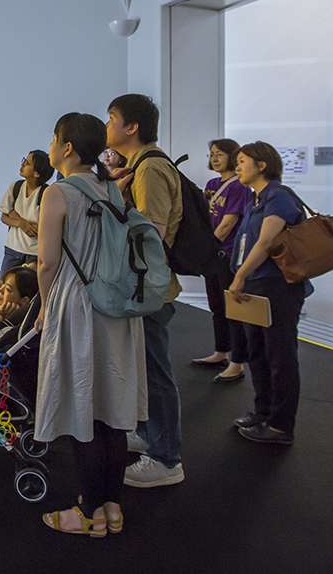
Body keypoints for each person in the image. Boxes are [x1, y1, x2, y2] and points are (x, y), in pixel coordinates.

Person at [35, 112, 147, 538]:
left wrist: (46, 306)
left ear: (67, 148)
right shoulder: (111, 188)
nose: (50, 145)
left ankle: (88, 512)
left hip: (78, 305)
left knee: (82, 406)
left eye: (54, 138)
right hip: (116, 306)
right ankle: (112, 507)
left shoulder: (58, 192)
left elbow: (47, 262)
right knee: (111, 411)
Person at [105, 94, 185, 487]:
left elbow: (151, 235)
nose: (107, 126)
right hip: (143, 286)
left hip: (148, 289)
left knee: (155, 372)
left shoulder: (150, 168)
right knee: (144, 367)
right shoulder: (139, 166)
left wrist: (114, 199)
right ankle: (151, 434)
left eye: (112, 118)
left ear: (131, 127)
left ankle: (167, 459)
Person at [228, 141, 311, 445]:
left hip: (278, 286)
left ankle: (280, 425)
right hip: (256, 284)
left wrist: (239, 276)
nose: (237, 167)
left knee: (280, 356)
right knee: (258, 352)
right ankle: (262, 412)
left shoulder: (279, 196)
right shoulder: (255, 199)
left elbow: (265, 242)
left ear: (262, 164)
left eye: (242, 161)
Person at [191, 139, 252, 383]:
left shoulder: (239, 186)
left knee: (233, 310)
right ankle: (221, 352)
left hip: (228, 254)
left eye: (220, 154)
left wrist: (209, 247)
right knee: (217, 306)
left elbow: (228, 224)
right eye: (212, 154)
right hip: (213, 254)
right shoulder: (212, 185)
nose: (214, 158)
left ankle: (238, 363)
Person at [0, 150, 52, 275]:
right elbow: (4, 217)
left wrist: (15, 215)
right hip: (12, 248)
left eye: (27, 163)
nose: (22, 164)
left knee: (30, 285)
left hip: (35, 252)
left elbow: (48, 227)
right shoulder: (16, 187)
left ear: (37, 173)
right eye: (24, 160)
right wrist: (21, 223)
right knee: (4, 283)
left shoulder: (46, 193)